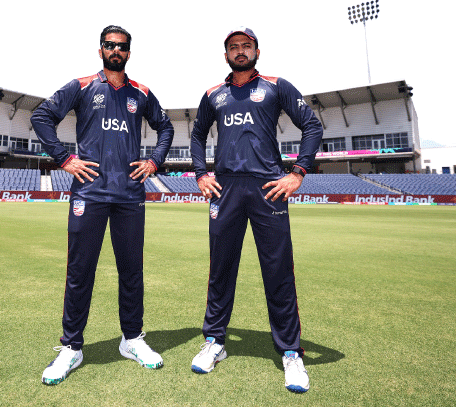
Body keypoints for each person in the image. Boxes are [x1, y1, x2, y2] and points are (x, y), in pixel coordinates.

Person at [31, 25, 174, 385]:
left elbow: (166, 127)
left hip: (129, 195)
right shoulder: (80, 86)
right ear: (100, 51)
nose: (115, 50)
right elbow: (41, 117)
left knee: (131, 271)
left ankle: (132, 340)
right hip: (89, 193)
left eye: (121, 47)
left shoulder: (140, 93)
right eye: (109, 45)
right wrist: (64, 158)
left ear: (129, 52)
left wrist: (154, 161)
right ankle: (72, 347)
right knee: (80, 271)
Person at [188, 27, 323, 393]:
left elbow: (312, 125)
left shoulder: (277, 86)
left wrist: (298, 173)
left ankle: (291, 352)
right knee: (221, 269)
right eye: (233, 47)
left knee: (278, 271)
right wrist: (201, 173)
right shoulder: (213, 94)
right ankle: (215, 342)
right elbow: (197, 134)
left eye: (246, 46)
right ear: (226, 55)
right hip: (225, 189)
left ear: (257, 51)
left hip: (269, 188)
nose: (240, 51)